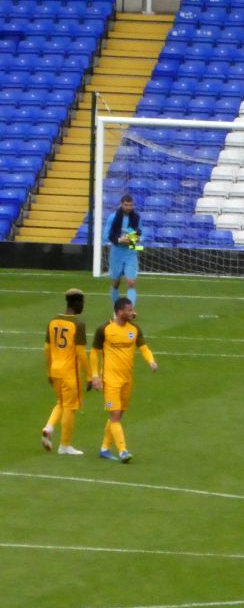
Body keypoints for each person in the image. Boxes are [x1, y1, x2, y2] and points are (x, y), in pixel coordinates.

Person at [90, 296, 157, 463]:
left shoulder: (134, 329)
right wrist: (95, 376)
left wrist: (151, 361)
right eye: (129, 310)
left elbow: (143, 347)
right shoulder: (104, 329)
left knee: (118, 415)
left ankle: (105, 449)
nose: (133, 312)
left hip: (127, 379)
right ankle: (123, 451)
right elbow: (94, 352)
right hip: (109, 379)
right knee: (115, 413)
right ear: (120, 312)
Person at [42, 288, 89, 456]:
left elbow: (46, 349)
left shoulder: (53, 321)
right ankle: (65, 445)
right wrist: (90, 375)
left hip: (55, 371)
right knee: (70, 407)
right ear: (76, 303)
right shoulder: (78, 324)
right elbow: (81, 353)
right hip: (70, 373)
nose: (83, 306)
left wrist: (49, 370)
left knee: (61, 403)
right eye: (82, 302)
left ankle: (48, 428)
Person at [104, 194, 141, 305]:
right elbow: (105, 235)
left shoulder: (136, 217)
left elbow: (140, 234)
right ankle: (117, 308)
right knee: (116, 283)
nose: (128, 207)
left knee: (131, 282)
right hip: (117, 252)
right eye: (126, 205)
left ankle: (130, 310)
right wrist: (120, 240)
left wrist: (134, 239)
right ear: (121, 204)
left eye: (130, 205)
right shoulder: (113, 217)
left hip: (131, 252)